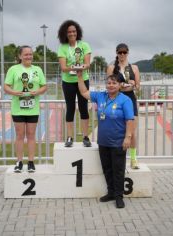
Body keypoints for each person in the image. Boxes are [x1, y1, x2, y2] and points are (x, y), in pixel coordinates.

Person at [77, 71, 134, 209]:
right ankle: (111, 193)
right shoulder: (101, 96)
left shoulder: (125, 100)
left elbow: (130, 120)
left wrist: (128, 137)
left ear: (120, 85)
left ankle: (119, 197)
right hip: (103, 141)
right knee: (107, 169)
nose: (111, 85)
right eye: (108, 83)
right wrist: (79, 77)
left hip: (118, 142)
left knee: (118, 170)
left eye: (114, 83)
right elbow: (84, 93)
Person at [4, 45, 47, 173]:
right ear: (20, 56)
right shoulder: (13, 69)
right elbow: (6, 86)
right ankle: (19, 162)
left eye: (30, 54)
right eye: (26, 54)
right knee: (19, 135)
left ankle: (31, 162)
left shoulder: (37, 69)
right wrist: (14, 92)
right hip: (18, 108)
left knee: (31, 135)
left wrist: (36, 92)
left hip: (33, 108)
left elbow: (44, 86)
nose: (29, 56)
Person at [57, 19, 92, 148]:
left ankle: (85, 136)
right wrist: (75, 67)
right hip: (68, 81)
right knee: (70, 108)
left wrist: (81, 67)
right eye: (69, 32)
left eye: (74, 31)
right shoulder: (63, 47)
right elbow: (63, 67)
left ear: (77, 32)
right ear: (65, 34)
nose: (72, 33)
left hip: (82, 80)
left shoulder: (84, 45)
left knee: (84, 107)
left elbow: (88, 64)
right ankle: (70, 137)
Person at [107, 43, 140, 169]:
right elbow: (109, 84)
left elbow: (138, 86)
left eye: (124, 52)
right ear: (116, 53)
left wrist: (132, 83)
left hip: (130, 99)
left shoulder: (135, 68)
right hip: (116, 99)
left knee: (131, 132)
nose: (122, 54)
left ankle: (133, 159)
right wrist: (119, 86)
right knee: (117, 131)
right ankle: (118, 160)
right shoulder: (111, 68)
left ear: (127, 53)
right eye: (119, 52)